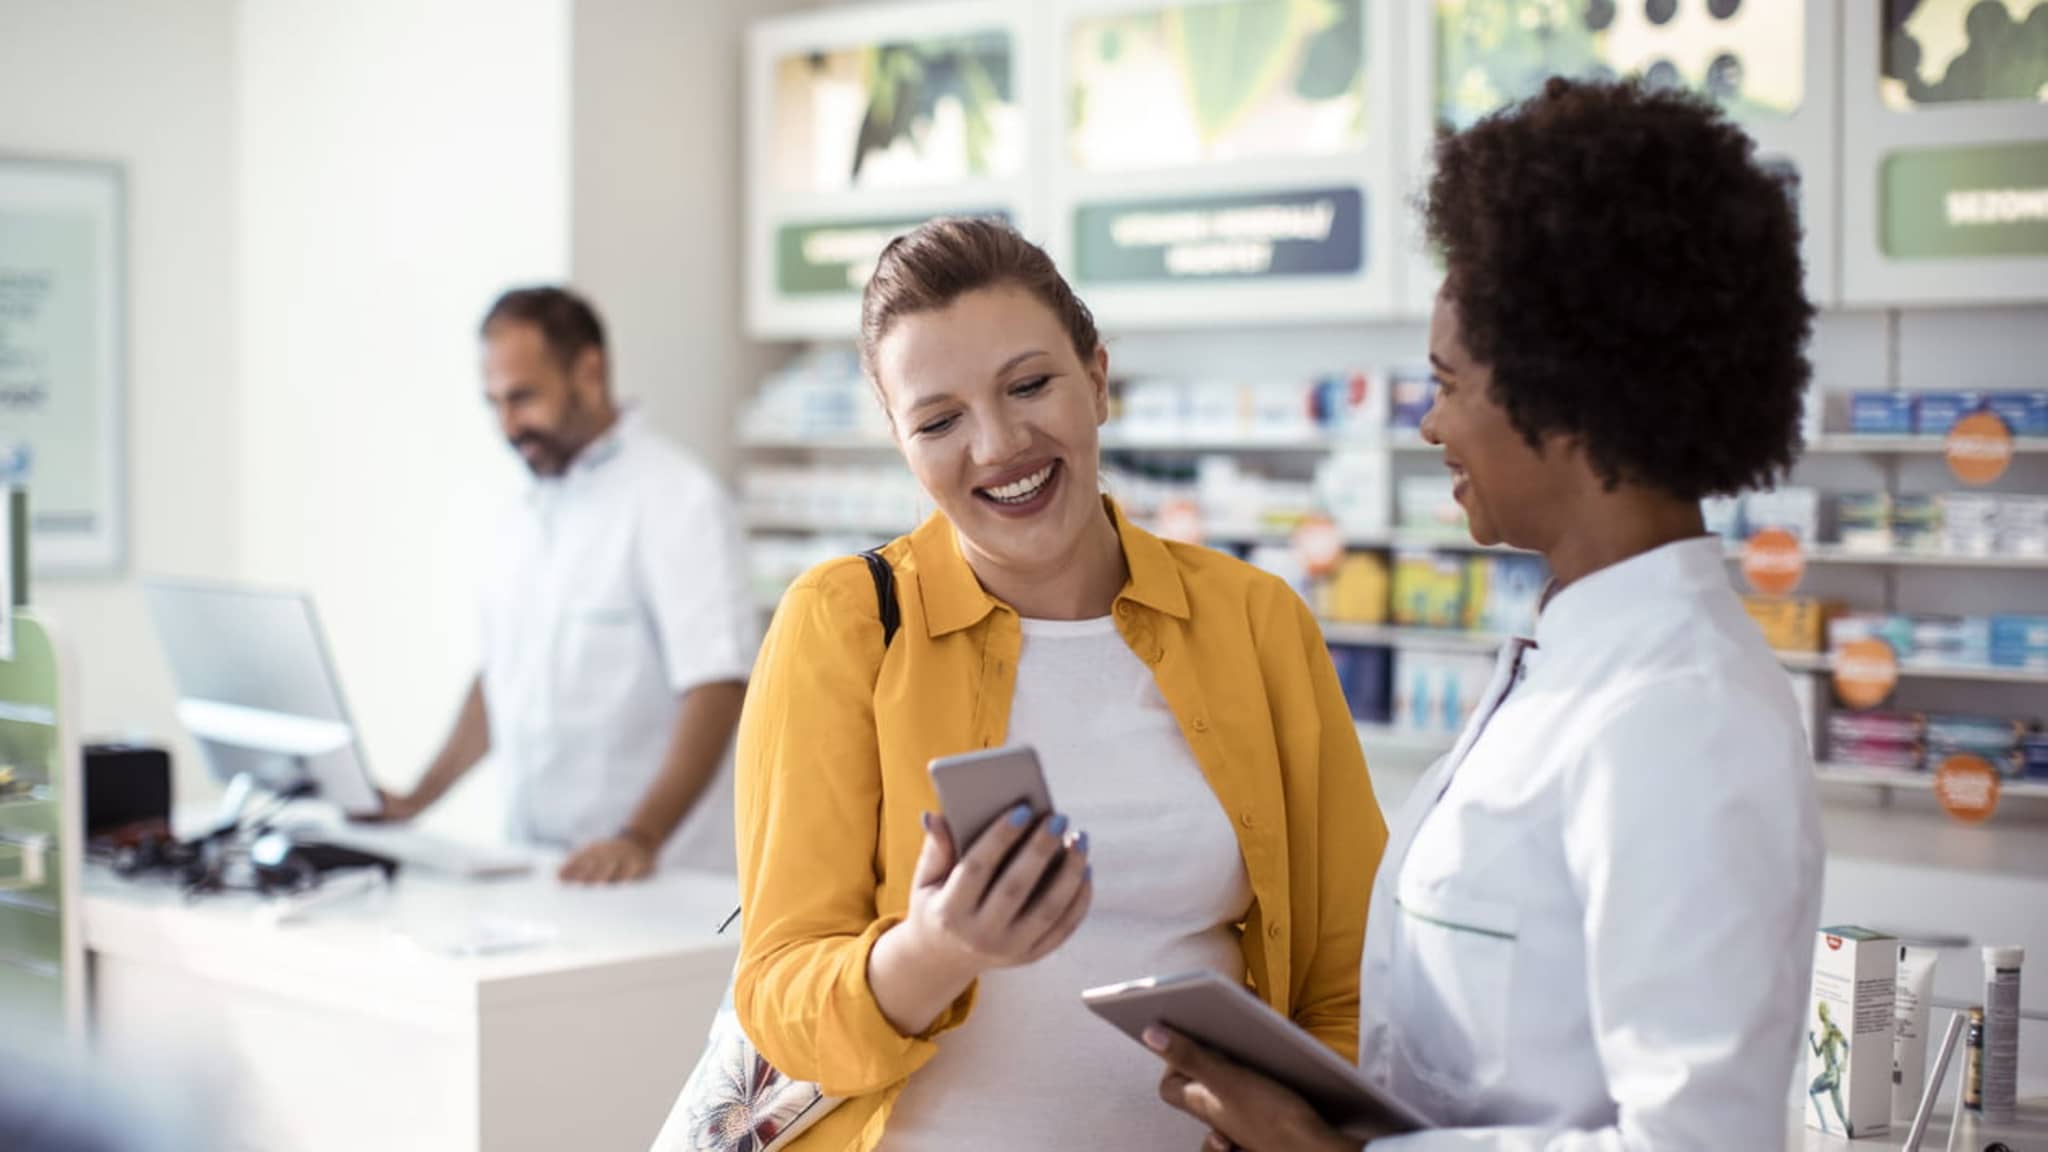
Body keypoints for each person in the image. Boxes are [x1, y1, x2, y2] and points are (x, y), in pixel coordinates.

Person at [1148, 77, 1825, 1150]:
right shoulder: (1571, 661)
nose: (1426, 424)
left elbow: (1697, 1141)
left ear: (1558, 401)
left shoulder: (1678, 714)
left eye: (1445, 383)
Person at [730, 218, 1388, 1151]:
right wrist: (935, 952)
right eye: (939, 420)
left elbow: (1349, 975)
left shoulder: (1255, 619)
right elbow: (777, 995)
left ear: (1099, 379)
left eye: (1030, 385)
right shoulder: (842, 623)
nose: (998, 445)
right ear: (900, 439)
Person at [372, 287, 755, 884]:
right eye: (493, 403)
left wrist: (639, 837)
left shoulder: (677, 500)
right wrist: (415, 802)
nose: (507, 425)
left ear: (589, 371)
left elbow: (718, 685)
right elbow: (501, 678)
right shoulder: (527, 509)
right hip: (541, 867)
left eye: (523, 398)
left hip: (659, 876)